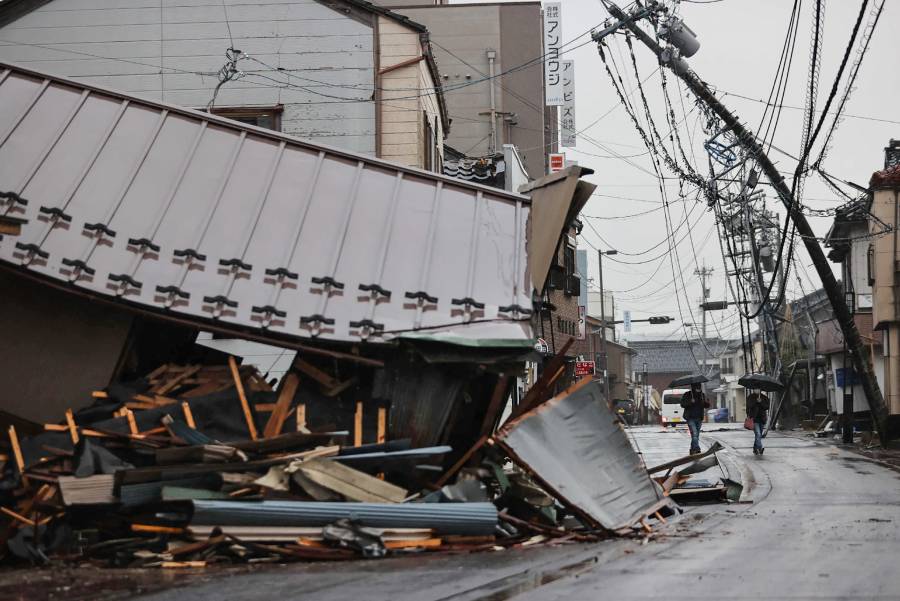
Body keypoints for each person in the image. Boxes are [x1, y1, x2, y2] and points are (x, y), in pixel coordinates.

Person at [680, 383, 709, 455]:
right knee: (695, 433)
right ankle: (697, 448)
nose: (698, 389)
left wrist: (705, 402)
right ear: (693, 387)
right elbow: (682, 404)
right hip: (690, 418)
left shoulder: (702, 395)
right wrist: (690, 402)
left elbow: (707, 405)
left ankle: (692, 449)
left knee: (696, 435)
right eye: (697, 387)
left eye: (699, 387)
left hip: (699, 418)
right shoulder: (687, 395)